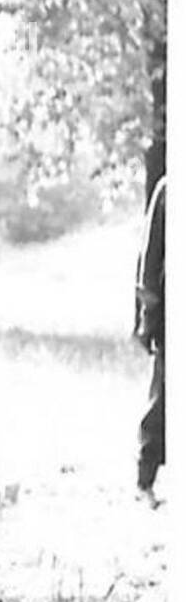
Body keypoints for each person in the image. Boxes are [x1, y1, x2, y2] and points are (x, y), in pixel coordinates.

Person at [135, 175, 166, 501]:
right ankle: (145, 481)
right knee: (165, 396)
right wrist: (148, 319)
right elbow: (150, 262)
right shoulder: (169, 190)